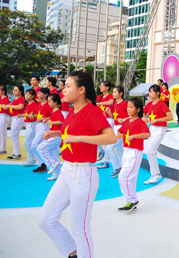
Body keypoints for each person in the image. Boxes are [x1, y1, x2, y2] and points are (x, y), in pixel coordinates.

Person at [38, 71, 116, 258]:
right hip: (67, 171)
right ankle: (73, 253)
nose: (63, 89)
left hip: (84, 174)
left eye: (68, 86)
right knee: (46, 220)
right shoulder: (72, 110)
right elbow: (71, 134)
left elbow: (110, 137)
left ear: (81, 90)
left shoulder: (93, 111)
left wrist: (77, 137)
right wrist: (56, 134)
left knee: (79, 228)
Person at [117, 97, 150, 211]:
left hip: (135, 152)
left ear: (138, 109)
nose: (128, 109)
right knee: (131, 178)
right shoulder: (127, 121)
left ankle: (132, 200)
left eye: (131, 107)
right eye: (128, 107)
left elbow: (147, 134)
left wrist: (134, 136)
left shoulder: (140, 122)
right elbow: (120, 132)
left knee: (123, 177)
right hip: (126, 151)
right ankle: (132, 200)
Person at [143, 84, 173, 184]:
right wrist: (144, 117)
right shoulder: (149, 104)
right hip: (151, 130)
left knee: (149, 151)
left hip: (160, 130)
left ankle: (157, 174)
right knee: (151, 152)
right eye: (149, 91)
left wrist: (157, 120)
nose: (150, 93)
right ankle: (153, 175)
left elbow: (170, 117)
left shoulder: (162, 104)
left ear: (158, 93)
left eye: (152, 91)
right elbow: (143, 112)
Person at [37, 94, 64, 181]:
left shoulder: (58, 112)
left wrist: (51, 123)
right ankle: (57, 173)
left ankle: (52, 163)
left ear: (55, 102)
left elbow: (61, 121)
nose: (48, 103)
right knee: (54, 154)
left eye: (50, 101)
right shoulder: (54, 112)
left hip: (55, 136)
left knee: (40, 148)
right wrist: (48, 119)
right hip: (54, 135)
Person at [106, 86, 128, 178]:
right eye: (113, 92)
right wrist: (109, 113)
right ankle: (122, 167)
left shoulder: (125, 104)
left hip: (121, 129)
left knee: (109, 147)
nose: (113, 94)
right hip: (116, 127)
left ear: (121, 93)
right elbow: (114, 117)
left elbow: (133, 116)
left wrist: (123, 120)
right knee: (119, 149)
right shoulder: (115, 104)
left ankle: (117, 167)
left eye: (115, 92)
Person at [31, 87, 52, 173]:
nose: (38, 94)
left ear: (46, 94)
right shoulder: (38, 105)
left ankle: (45, 163)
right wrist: (32, 114)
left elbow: (53, 115)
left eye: (40, 93)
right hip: (38, 126)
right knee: (38, 145)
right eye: (38, 93)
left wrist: (45, 118)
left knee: (34, 145)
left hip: (44, 126)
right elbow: (34, 113)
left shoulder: (48, 104)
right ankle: (43, 164)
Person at [96, 80, 114, 168]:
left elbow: (110, 102)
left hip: (109, 120)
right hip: (100, 120)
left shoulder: (110, 96)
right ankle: (101, 151)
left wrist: (99, 103)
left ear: (107, 87)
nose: (100, 87)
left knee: (106, 141)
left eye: (102, 85)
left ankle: (106, 161)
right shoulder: (99, 97)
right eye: (100, 85)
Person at [6, 85, 25, 159]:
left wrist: (10, 106)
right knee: (14, 135)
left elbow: (20, 106)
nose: (14, 91)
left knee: (13, 135)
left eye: (16, 90)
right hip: (14, 118)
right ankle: (15, 153)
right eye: (13, 90)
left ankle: (17, 153)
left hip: (18, 118)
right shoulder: (16, 99)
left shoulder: (20, 99)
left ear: (20, 91)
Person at [22, 89, 38, 166]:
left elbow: (33, 116)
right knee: (29, 142)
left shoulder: (34, 104)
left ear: (33, 96)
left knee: (27, 143)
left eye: (28, 94)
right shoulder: (28, 104)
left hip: (32, 124)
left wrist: (24, 115)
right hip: (29, 124)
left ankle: (31, 159)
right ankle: (30, 159)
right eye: (26, 94)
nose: (26, 96)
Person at [0, 85, 11, 155]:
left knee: (2, 133)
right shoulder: (1, 98)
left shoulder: (5, 99)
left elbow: (5, 107)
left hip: (4, 116)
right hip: (0, 115)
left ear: (3, 91)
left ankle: (3, 149)